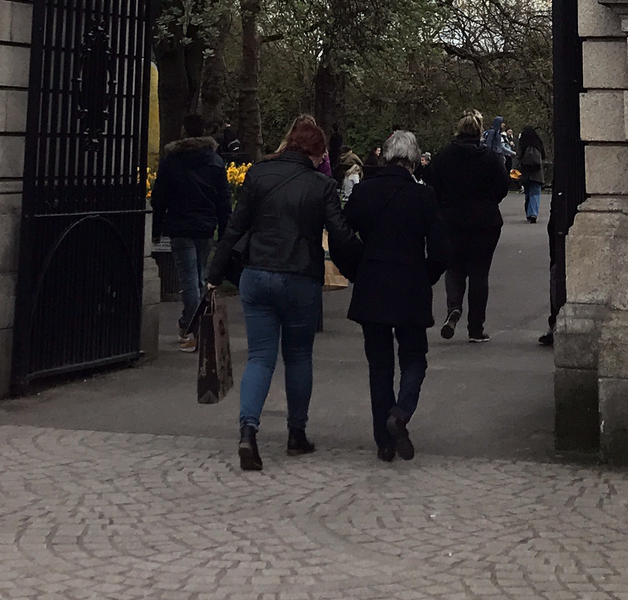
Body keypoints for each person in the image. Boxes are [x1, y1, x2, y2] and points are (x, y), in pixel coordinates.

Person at [207, 114, 357, 472]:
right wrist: (359, 270)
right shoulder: (321, 187)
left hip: (256, 274)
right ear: (318, 151)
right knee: (299, 356)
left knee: (260, 357)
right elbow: (339, 235)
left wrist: (213, 275)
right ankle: (296, 434)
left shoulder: (258, 174)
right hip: (299, 278)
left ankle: (247, 431)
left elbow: (234, 227)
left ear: (288, 142)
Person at [342, 129, 448, 461]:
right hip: (410, 284)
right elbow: (441, 251)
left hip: (372, 283)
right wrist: (426, 276)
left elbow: (344, 236)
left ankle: (383, 441)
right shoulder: (425, 197)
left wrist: (356, 270)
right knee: (414, 357)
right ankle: (401, 412)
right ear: (415, 161)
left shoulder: (364, 193)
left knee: (379, 365)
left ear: (385, 157)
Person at [424, 112, 511, 342]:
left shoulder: (444, 156)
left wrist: (445, 205)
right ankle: (476, 327)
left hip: (452, 219)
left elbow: (433, 184)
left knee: (454, 268)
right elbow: (503, 185)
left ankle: (454, 307)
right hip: (485, 220)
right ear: (480, 131)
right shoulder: (490, 157)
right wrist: (490, 202)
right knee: (479, 273)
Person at [150, 112, 231, 349]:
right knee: (199, 277)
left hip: (180, 225)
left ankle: (192, 327)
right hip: (205, 226)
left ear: (184, 130)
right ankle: (192, 325)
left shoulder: (172, 161)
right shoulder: (215, 161)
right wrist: (225, 230)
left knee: (188, 279)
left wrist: (156, 228)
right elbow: (224, 200)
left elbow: (159, 198)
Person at [517, 127, 546, 223]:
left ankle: (528, 212)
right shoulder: (538, 142)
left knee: (528, 193)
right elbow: (543, 155)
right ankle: (533, 212)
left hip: (525, 171)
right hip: (537, 172)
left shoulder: (522, 143)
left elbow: (518, 156)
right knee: (535, 193)